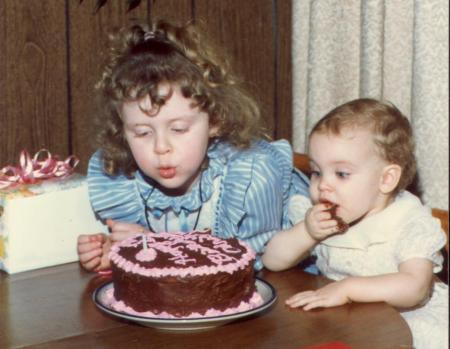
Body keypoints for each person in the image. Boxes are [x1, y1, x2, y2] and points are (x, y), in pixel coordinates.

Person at [77, 19, 309, 273]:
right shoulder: (122, 181)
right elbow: (147, 255)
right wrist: (117, 254)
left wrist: (159, 247)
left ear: (215, 120)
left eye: (178, 129)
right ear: (121, 129)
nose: (161, 147)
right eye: (142, 133)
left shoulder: (249, 176)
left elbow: (252, 264)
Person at [262, 98, 448, 349]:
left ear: (386, 179)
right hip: (349, 317)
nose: (323, 184)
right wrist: (307, 232)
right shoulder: (321, 215)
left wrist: (348, 289)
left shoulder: (408, 221)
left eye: (341, 174)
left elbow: (414, 287)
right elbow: (271, 260)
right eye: (317, 171)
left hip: (410, 318)